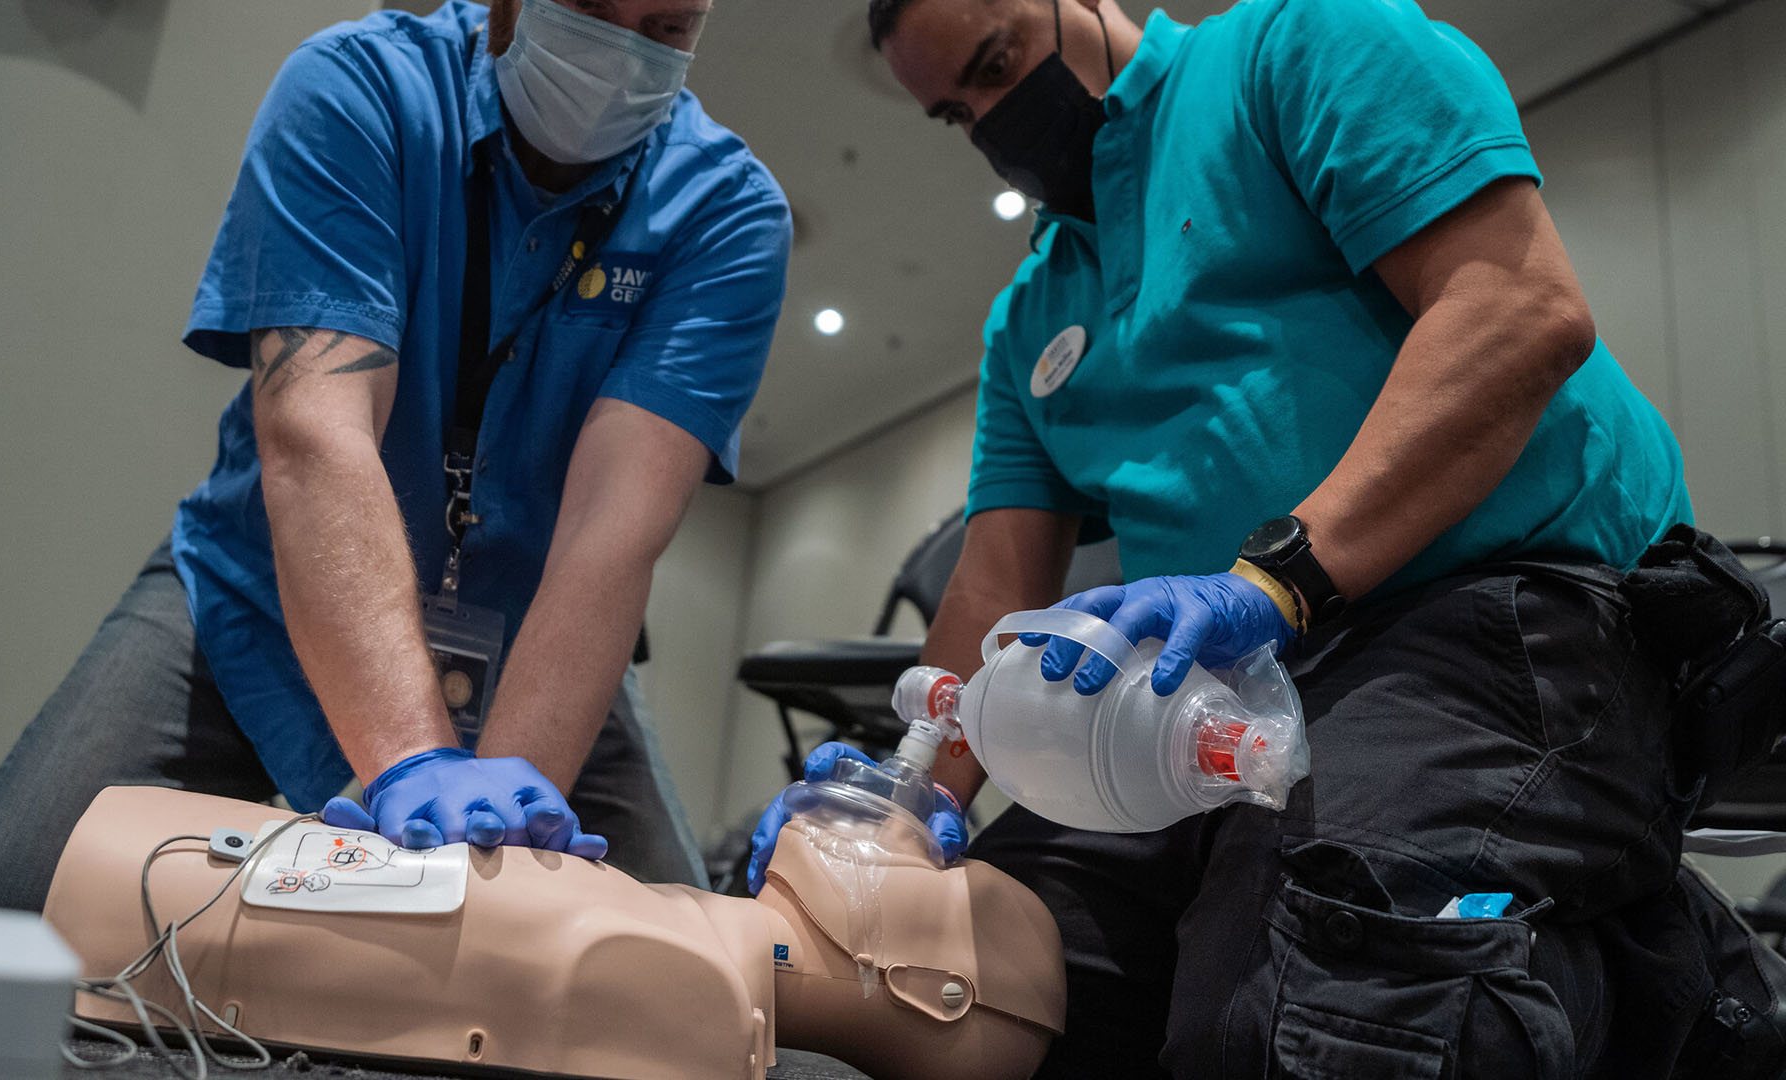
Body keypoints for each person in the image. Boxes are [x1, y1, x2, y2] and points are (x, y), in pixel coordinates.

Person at [751, 0, 1785, 1075]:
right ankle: (1638, 961)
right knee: (976, 968)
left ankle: (1656, 997)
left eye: (1002, 63)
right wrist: (903, 807)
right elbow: (992, 582)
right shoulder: (1032, 314)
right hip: (1231, 693)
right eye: (958, 113)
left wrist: (1279, 578)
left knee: (1305, 996)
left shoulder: (1295, 50)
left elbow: (1517, 309)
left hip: (1508, 612)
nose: (995, 120)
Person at [0, 0, 791, 911]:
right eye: (592, 8)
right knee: (8, 890)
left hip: (534, 632)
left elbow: (612, 533)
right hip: (266, 590)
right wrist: (416, 757)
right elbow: (318, 436)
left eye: (667, 27)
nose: (623, 53)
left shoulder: (729, 214)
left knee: (663, 1000)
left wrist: (494, 832)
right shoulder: (356, 88)